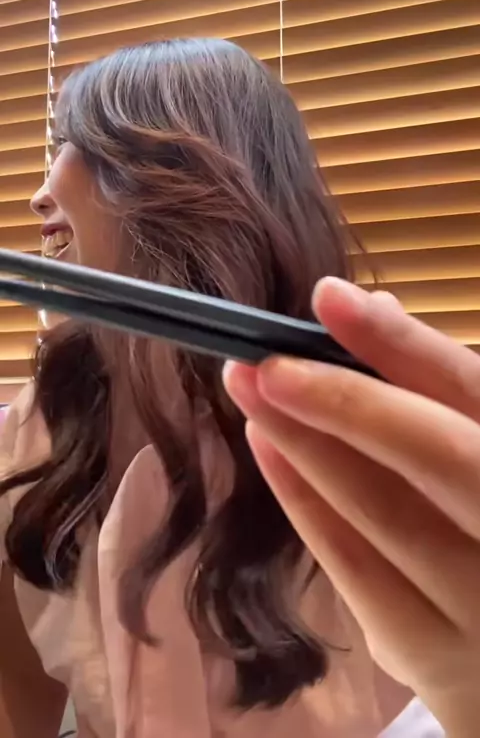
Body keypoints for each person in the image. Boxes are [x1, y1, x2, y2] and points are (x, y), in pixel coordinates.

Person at [0, 38, 476, 737]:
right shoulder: (35, 436)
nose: (38, 193)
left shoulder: (376, 440)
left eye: (76, 144)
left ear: (168, 174)